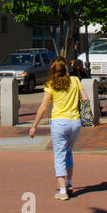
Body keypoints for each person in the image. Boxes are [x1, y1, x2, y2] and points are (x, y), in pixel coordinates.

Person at [28, 57, 82, 201]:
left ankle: (63, 190)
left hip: (59, 123)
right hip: (75, 122)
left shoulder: (51, 85)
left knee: (59, 155)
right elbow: (85, 97)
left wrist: (34, 126)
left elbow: (43, 107)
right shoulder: (75, 81)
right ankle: (69, 183)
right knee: (69, 153)